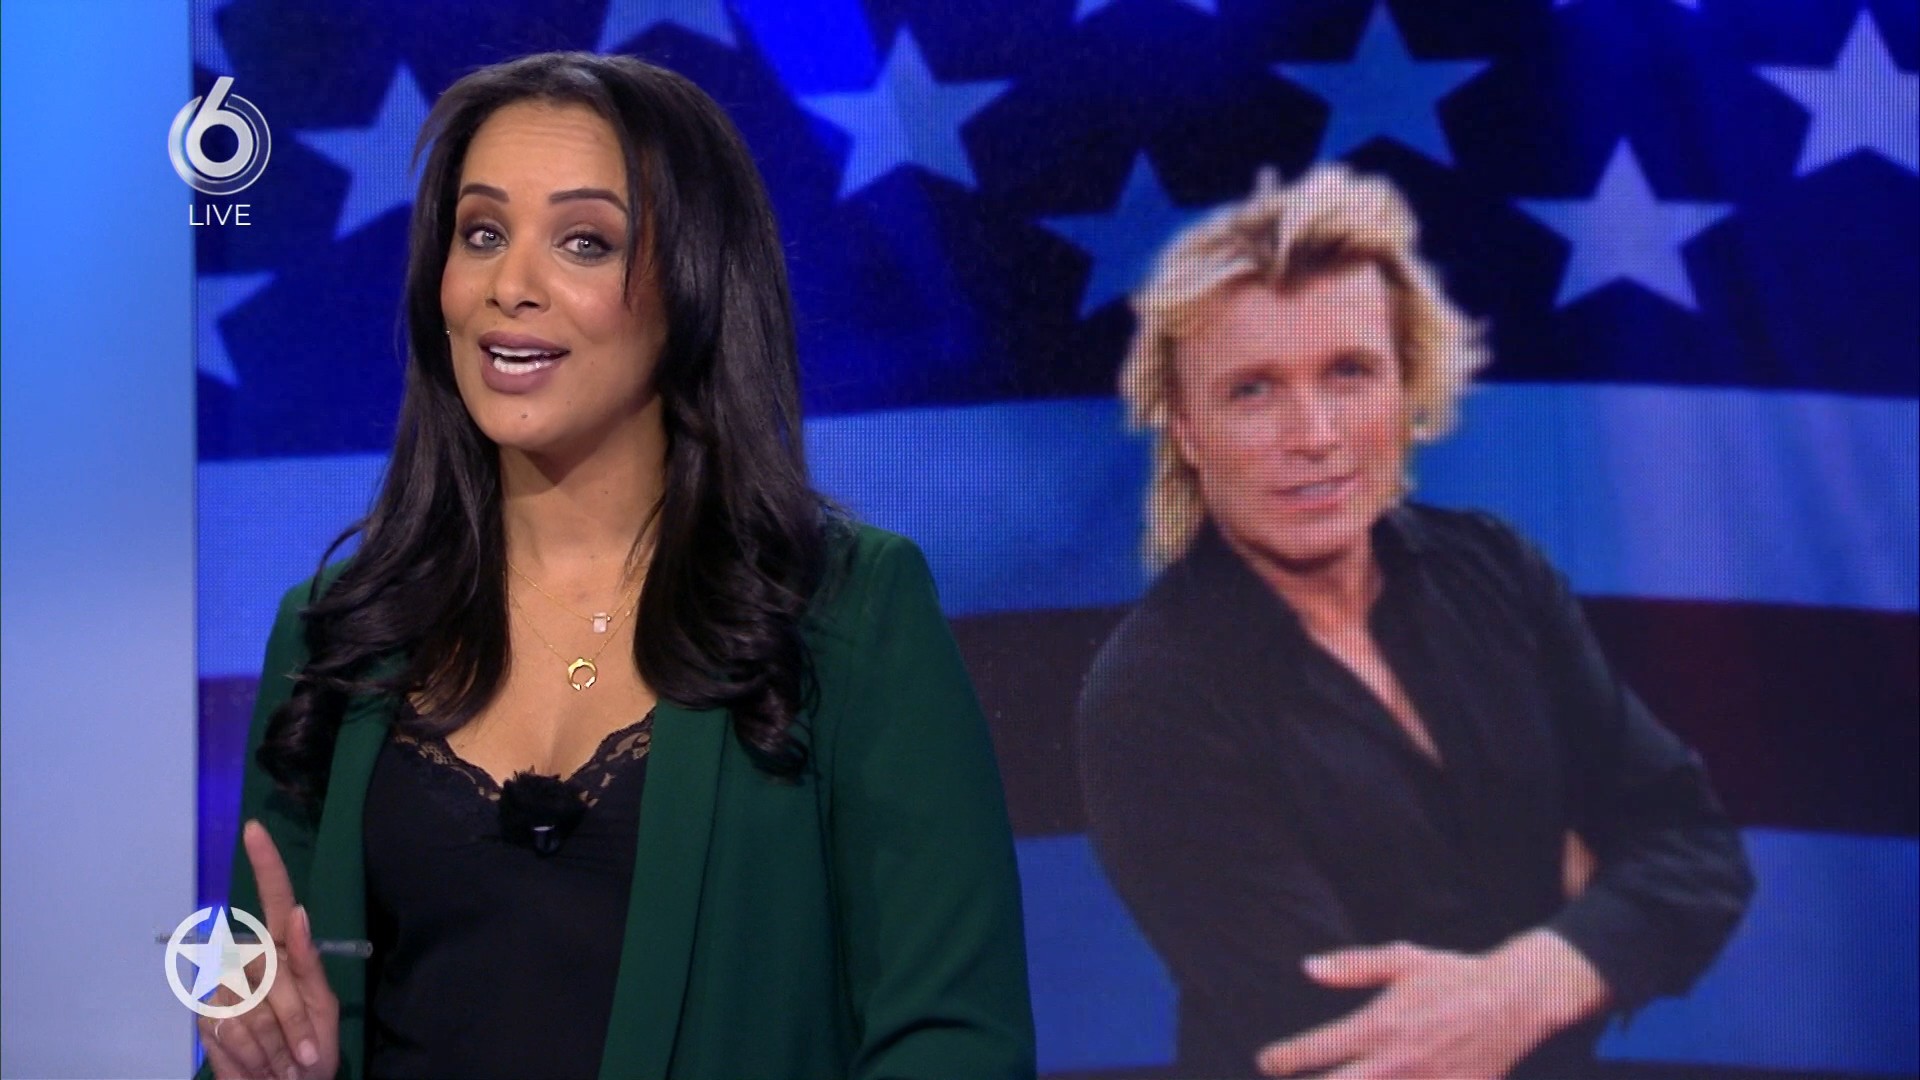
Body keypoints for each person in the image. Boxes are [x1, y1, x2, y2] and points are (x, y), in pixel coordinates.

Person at [194, 51, 1036, 1080]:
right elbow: (262, 1025)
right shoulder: (339, 630)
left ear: (693, 287)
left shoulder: (845, 609)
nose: (511, 286)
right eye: (482, 233)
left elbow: (954, 1039)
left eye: (584, 242)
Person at [1074, 164, 1754, 1079]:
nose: (1313, 434)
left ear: (1408, 391)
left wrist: (1530, 977)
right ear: (1189, 432)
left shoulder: (1492, 570)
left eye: (1350, 372)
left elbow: (1693, 850)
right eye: (1253, 390)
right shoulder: (1152, 693)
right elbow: (1363, 1045)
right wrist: (1586, 920)